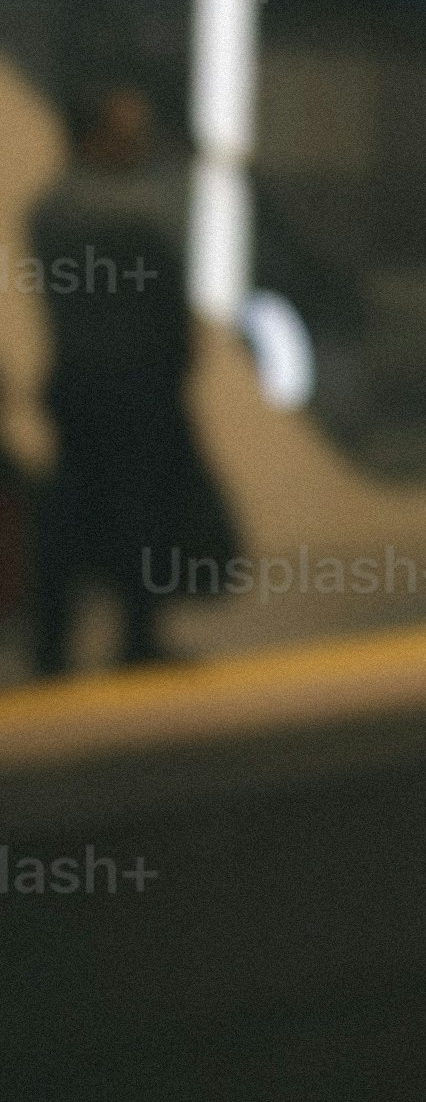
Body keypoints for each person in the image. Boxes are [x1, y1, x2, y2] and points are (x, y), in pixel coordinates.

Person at [23, 82, 242, 677]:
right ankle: (137, 636)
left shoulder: (51, 209)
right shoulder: (131, 211)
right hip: (138, 389)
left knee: (70, 516)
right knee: (140, 513)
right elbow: (165, 305)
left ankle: (53, 646)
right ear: (94, 137)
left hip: (78, 382)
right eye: (127, 133)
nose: (138, 145)